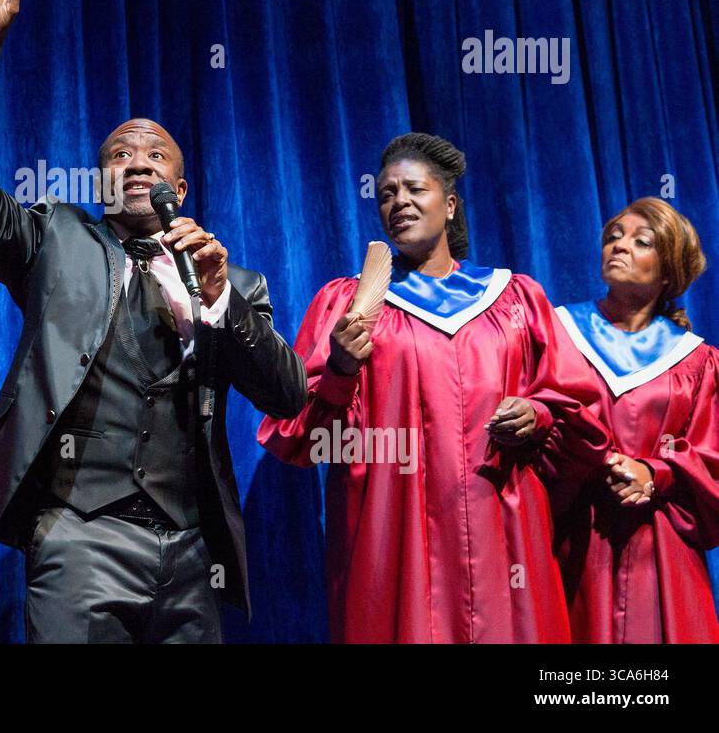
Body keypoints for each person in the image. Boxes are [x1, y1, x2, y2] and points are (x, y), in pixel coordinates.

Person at [0, 0, 307, 643]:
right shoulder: (53, 238)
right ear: (100, 181)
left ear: (182, 186)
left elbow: (287, 395)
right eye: (118, 155)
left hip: (191, 551)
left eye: (154, 153)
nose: (136, 162)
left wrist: (222, 302)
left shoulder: (231, 276)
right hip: (78, 540)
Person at [258, 133, 609, 642]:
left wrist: (539, 415)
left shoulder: (516, 298)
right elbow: (296, 433)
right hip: (391, 530)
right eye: (385, 194)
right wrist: (337, 371)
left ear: (448, 205)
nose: (398, 201)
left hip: (502, 522)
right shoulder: (350, 304)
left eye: (413, 189)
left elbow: (579, 409)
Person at [553, 197, 719, 642]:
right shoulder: (558, 333)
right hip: (575, 541)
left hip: (662, 550)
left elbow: (712, 458)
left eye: (640, 241)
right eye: (613, 238)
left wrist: (655, 472)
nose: (619, 246)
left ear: (668, 273)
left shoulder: (697, 361)